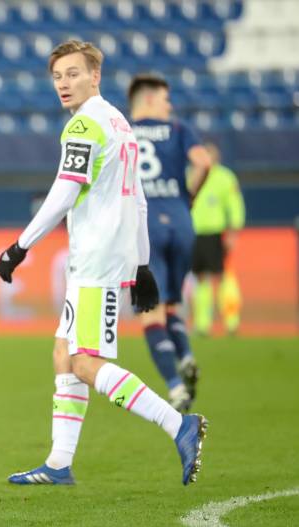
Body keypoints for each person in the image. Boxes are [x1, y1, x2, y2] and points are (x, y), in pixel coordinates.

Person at [0, 40, 207, 486]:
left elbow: (64, 192)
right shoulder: (119, 122)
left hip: (96, 258)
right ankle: (58, 464)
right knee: (63, 353)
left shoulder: (84, 125)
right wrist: (143, 264)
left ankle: (179, 425)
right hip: (105, 257)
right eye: (57, 76)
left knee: (85, 363)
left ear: (95, 75)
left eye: (73, 73)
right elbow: (139, 197)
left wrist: (20, 246)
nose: (63, 83)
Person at [128, 74, 212, 409]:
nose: (170, 106)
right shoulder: (179, 130)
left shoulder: (122, 132)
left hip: (144, 224)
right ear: (148, 99)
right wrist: (187, 196)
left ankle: (175, 387)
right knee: (172, 303)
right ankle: (187, 355)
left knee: (151, 312)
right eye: (165, 99)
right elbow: (203, 163)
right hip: (180, 220)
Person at [191, 142, 246, 335]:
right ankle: (202, 324)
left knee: (222, 276)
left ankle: (231, 321)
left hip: (215, 233)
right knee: (200, 278)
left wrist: (233, 231)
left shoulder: (224, 177)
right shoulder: (192, 174)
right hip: (194, 232)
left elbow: (235, 205)